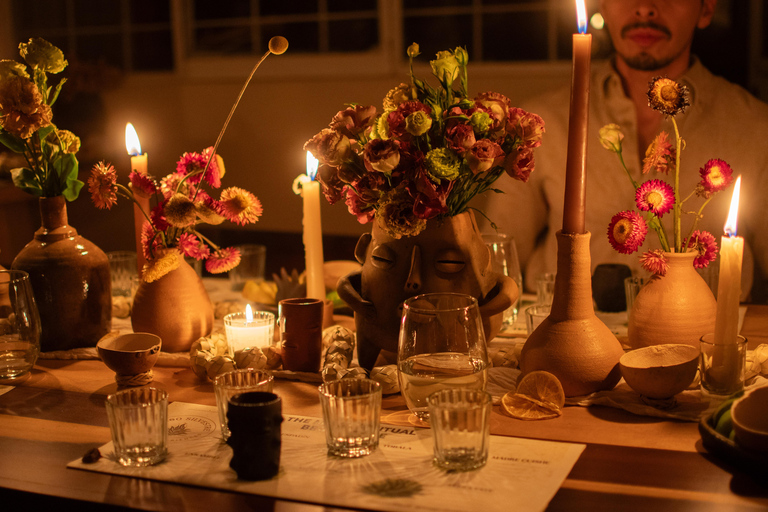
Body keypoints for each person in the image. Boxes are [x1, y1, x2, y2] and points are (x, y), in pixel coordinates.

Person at [478, 0, 768, 301]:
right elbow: (494, 260)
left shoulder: (753, 128)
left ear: (706, 8)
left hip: (701, 340)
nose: (644, 9)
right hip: (566, 338)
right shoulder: (542, 125)